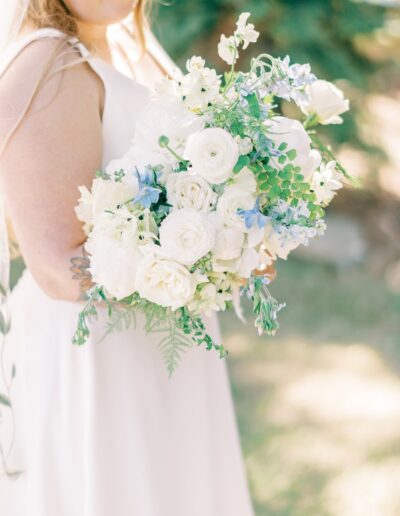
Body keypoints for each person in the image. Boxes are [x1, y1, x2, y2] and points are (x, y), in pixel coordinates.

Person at [0, 1, 259, 515]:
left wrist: (236, 243)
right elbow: (56, 264)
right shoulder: (47, 63)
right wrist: (193, 265)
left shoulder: (119, 47)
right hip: (97, 351)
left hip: (161, 341)